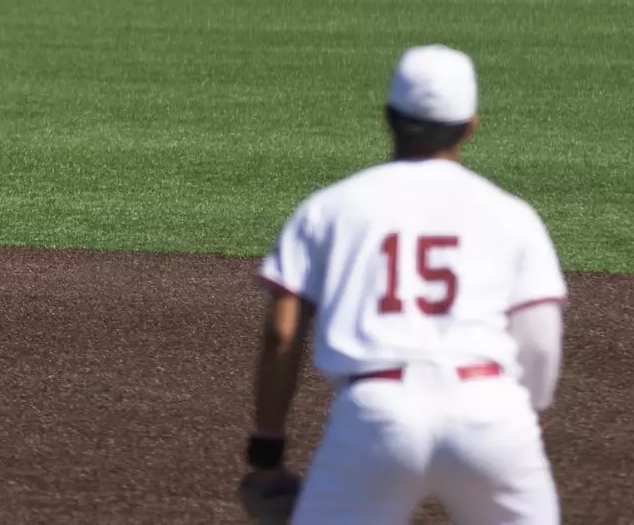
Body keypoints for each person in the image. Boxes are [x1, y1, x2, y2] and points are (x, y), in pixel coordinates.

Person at [238, 45, 568, 524]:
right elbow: (539, 342)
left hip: (376, 416)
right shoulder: (511, 214)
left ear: (389, 117)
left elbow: (282, 334)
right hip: (490, 410)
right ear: (471, 126)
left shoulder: (331, 208)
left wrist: (267, 453)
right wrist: (519, 419)